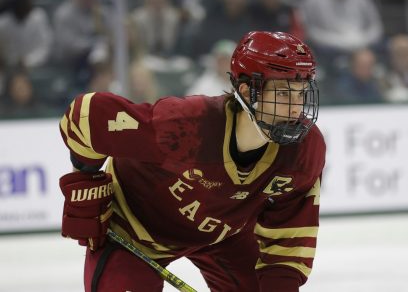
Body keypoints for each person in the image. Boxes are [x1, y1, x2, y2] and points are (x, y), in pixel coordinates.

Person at [58, 31, 325, 292]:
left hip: (222, 236)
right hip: (133, 230)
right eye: (282, 94)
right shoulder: (186, 127)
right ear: (247, 91)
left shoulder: (304, 150)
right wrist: (86, 183)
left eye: (301, 95)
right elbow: (86, 115)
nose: (295, 109)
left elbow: (288, 238)